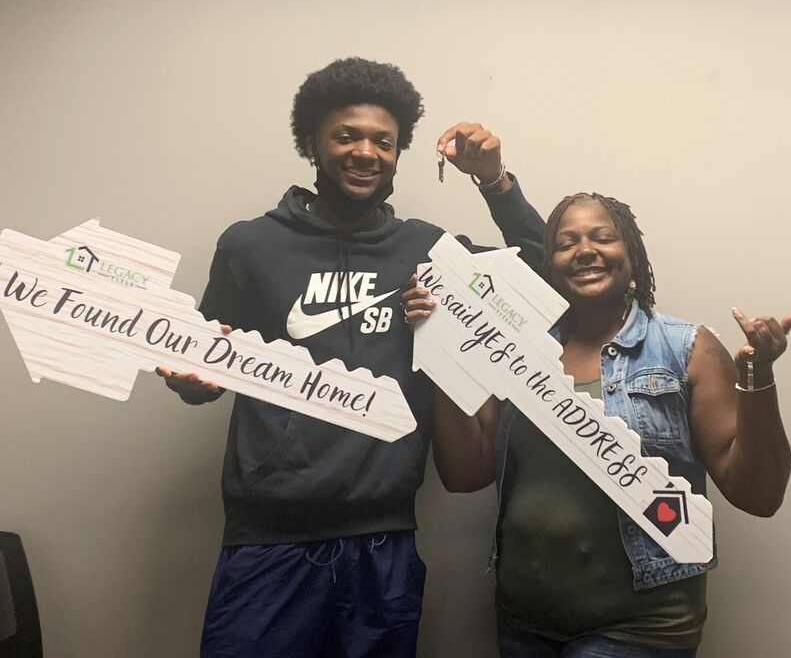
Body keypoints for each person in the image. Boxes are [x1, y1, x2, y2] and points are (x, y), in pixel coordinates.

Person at [157, 57, 545, 658]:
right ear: (312, 142)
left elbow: (544, 280)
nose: (366, 152)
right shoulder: (249, 245)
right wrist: (190, 382)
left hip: (382, 540)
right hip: (267, 541)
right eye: (347, 136)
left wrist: (495, 182)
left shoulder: (428, 249)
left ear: (399, 152)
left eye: (383, 142)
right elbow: (203, 358)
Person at [411, 192, 791, 658]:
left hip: (639, 629)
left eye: (603, 237)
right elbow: (464, 473)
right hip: (523, 624)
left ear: (632, 257)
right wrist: (442, 346)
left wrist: (758, 380)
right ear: (549, 266)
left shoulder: (685, 348)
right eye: (566, 243)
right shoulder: (517, 352)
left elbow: (758, 494)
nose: (585, 250)